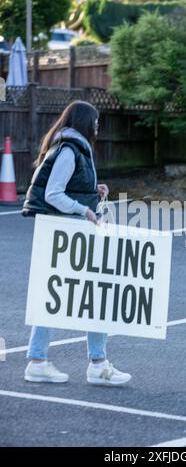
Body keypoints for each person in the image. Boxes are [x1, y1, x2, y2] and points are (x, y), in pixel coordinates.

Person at [22, 100, 131, 386]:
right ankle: (90, 363)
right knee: (92, 295)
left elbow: (65, 187)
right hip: (69, 232)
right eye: (95, 122)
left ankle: (47, 361)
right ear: (84, 122)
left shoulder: (72, 148)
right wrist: (84, 209)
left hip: (68, 232)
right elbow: (53, 195)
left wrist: (91, 191)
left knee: (68, 295)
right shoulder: (69, 150)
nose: (98, 127)